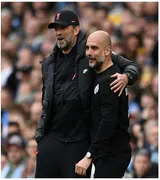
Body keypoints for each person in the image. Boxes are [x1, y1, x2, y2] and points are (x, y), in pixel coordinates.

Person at [34, 10, 139, 178]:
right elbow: (46, 102)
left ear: (76, 30)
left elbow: (130, 65)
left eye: (63, 28)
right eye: (56, 29)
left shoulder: (91, 52)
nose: (59, 32)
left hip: (79, 141)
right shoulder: (49, 63)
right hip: (51, 138)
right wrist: (41, 139)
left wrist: (127, 77)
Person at [75, 31, 131, 177]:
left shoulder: (110, 80)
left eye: (94, 48)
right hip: (107, 153)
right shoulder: (101, 76)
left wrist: (89, 155)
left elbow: (108, 121)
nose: (89, 52)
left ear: (107, 51)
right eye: (87, 48)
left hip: (113, 153)